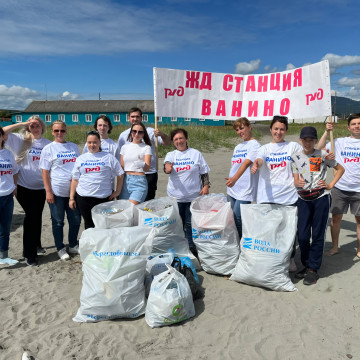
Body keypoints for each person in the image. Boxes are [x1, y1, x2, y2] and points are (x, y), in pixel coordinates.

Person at [292, 126, 344, 285]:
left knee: (318, 234)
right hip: (303, 199)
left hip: (321, 198)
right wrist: (296, 182)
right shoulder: (295, 157)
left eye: (311, 140)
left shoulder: (323, 155)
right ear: (300, 140)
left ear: (315, 141)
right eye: (305, 139)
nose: (308, 142)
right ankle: (306, 264)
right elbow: (295, 177)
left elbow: (340, 169)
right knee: (302, 235)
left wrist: (330, 185)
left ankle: (313, 269)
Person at [251, 115, 302, 272]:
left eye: (282, 129)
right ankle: (271, 259)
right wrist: (256, 165)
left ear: (286, 130)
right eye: (276, 129)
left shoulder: (293, 146)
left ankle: (290, 258)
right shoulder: (264, 148)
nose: (278, 132)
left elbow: (303, 162)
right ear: (271, 129)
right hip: (268, 197)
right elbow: (260, 160)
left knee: (290, 231)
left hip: (290, 196)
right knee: (270, 230)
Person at [4, 116, 51, 266]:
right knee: (31, 217)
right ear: (28, 128)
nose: (35, 128)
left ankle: (36, 245)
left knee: (37, 216)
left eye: (37, 125)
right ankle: (29, 254)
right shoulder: (20, 139)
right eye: (31, 126)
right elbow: (3, 132)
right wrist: (22, 123)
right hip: (24, 187)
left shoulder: (48, 144)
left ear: (42, 127)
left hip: (41, 188)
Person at [318, 114, 360, 258]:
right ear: (348, 127)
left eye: (359, 123)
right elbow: (319, 148)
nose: (357, 126)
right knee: (336, 219)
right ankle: (335, 247)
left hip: (359, 190)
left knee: (359, 221)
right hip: (340, 187)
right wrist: (326, 131)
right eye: (354, 124)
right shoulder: (339, 142)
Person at [164, 128, 210, 255]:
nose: (179, 141)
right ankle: (178, 246)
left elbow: (204, 171)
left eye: (181, 138)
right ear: (173, 142)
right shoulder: (171, 155)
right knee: (178, 223)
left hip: (193, 196)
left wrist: (206, 186)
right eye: (176, 139)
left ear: (186, 139)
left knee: (190, 224)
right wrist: (167, 168)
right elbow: (166, 166)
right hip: (176, 197)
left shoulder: (196, 154)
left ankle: (191, 246)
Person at [40, 120, 82, 261]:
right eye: (56, 130)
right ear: (52, 132)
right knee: (58, 222)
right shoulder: (48, 149)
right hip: (56, 192)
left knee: (75, 220)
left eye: (62, 130)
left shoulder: (73, 147)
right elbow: (45, 172)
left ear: (66, 131)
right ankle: (60, 247)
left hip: (73, 192)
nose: (59, 133)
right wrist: (48, 191)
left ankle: (73, 245)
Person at [70, 131, 124, 229]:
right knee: (89, 224)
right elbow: (75, 179)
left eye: (95, 142)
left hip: (103, 198)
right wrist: (71, 198)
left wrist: (117, 191)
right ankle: (91, 244)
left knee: (103, 225)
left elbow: (120, 174)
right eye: (89, 142)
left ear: (100, 142)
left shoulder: (108, 157)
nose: (92, 145)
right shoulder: (81, 159)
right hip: (84, 198)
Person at [117, 107, 171, 200]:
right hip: (130, 175)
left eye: (137, 116)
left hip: (149, 173)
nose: (135, 119)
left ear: (141, 118)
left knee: (147, 203)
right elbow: (120, 156)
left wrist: (161, 134)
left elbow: (167, 143)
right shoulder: (123, 135)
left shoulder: (151, 131)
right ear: (128, 118)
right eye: (132, 116)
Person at [225, 117, 261, 239]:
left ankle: (243, 242)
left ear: (249, 127)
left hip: (246, 188)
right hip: (233, 187)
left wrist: (234, 179)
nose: (239, 132)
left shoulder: (255, 145)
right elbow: (235, 165)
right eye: (237, 130)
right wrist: (232, 179)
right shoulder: (238, 147)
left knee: (238, 216)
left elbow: (246, 163)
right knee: (232, 217)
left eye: (241, 128)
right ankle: (237, 242)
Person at [119, 122, 152, 204]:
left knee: (131, 208)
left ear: (144, 134)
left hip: (139, 182)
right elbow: (121, 168)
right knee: (124, 211)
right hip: (125, 181)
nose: (137, 134)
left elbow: (147, 169)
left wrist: (142, 163)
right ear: (131, 132)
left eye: (140, 132)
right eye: (134, 131)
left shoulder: (146, 147)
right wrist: (118, 188)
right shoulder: (124, 147)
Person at [0, 126, 19, 263]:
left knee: (5, 228)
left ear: (2, 137)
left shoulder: (7, 154)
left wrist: (15, 186)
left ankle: (4, 256)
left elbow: (14, 170)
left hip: (8, 196)